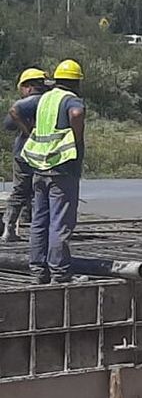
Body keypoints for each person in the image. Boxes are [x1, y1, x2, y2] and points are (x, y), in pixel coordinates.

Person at [19, 60, 86, 284]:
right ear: (76, 82)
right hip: (62, 168)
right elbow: (76, 113)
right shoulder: (70, 99)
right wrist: (75, 138)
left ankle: (38, 271)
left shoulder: (44, 98)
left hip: (40, 167)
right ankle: (60, 272)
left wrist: (29, 132)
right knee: (60, 222)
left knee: (40, 221)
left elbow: (16, 109)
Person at [2, 68, 50, 242]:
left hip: (24, 152)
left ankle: (9, 228)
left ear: (28, 87)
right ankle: (39, 229)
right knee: (40, 190)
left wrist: (27, 130)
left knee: (20, 191)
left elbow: (11, 117)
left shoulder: (30, 102)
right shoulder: (51, 101)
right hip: (45, 153)